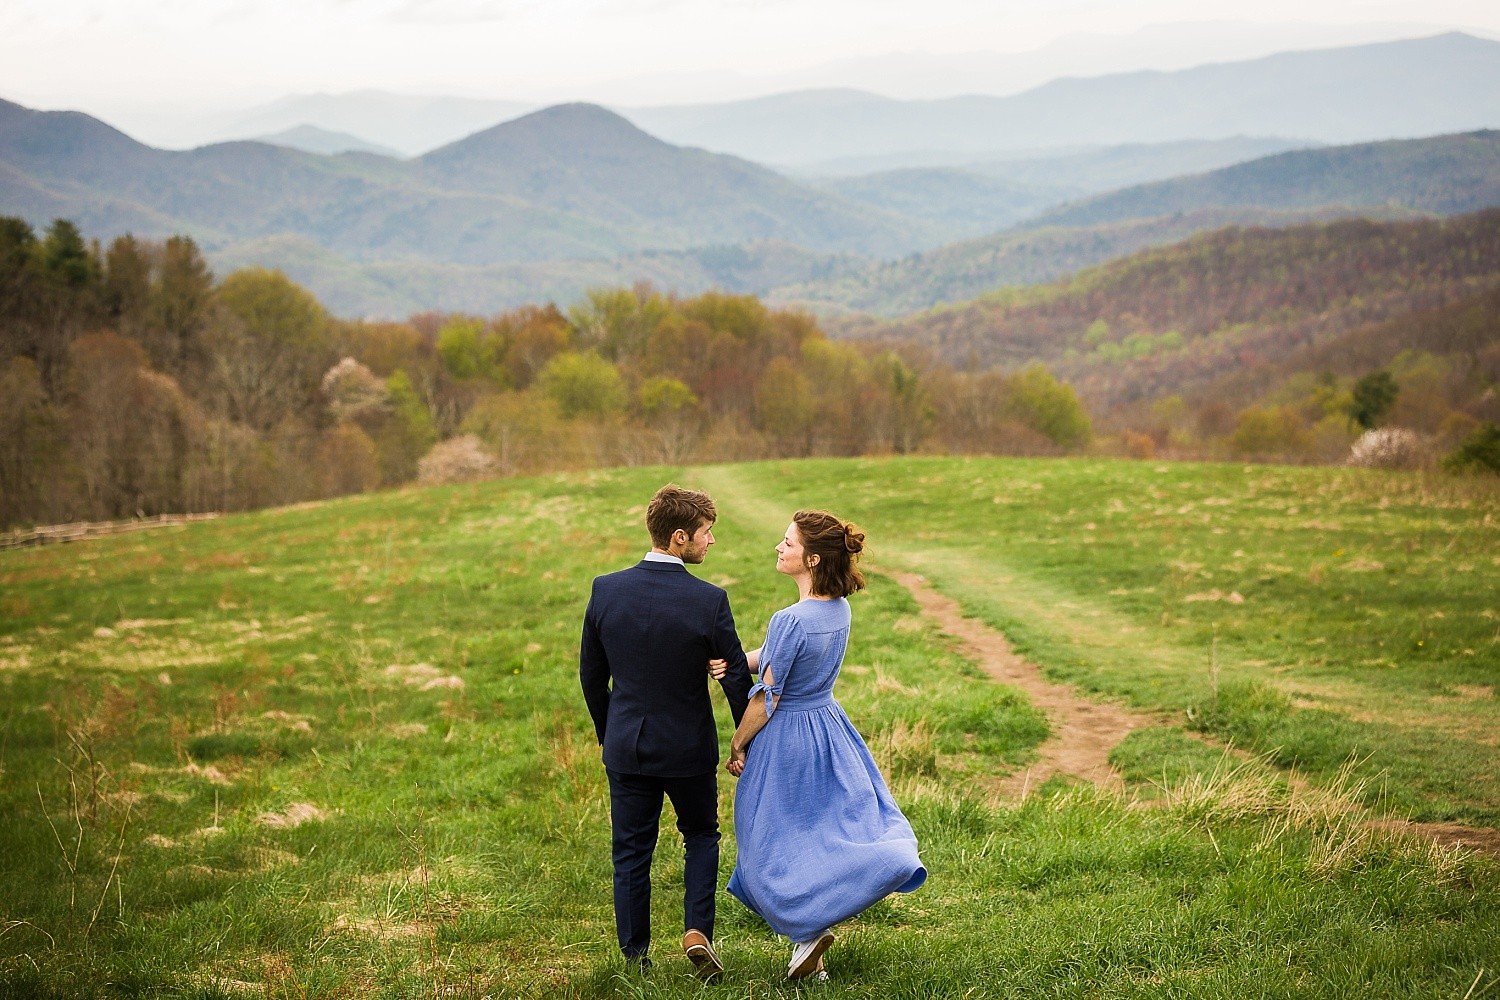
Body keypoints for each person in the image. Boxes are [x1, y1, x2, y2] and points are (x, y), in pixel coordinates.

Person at [714, 510, 926, 981]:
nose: (778, 547)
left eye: (786, 542)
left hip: (786, 737)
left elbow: (769, 696)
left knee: (765, 842)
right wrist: (732, 662)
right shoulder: (836, 609)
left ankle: (806, 933)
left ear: (810, 558)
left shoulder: (789, 619)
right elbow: (778, 659)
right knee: (821, 834)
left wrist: (737, 742)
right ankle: (810, 948)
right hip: (829, 730)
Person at [580, 484, 753, 979]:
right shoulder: (708, 601)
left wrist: (609, 732)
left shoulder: (605, 589)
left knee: (631, 852)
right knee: (701, 834)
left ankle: (635, 960)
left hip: (627, 746)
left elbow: (592, 676)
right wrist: (746, 741)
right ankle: (697, 930)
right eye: (706, 534)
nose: (711, 543)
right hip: (688, 749)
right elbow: (736, 676)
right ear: (680, 538)